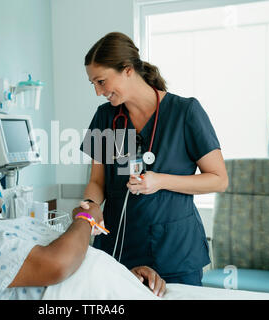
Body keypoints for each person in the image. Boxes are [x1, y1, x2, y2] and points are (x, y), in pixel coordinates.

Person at [74, 32, 228, 287]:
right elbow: (97, 181)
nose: (98, 92)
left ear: (127, 70)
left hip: (175, 253)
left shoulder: (185, 112)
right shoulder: (105, 118)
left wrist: (160, 181)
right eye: (93, 84)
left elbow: (219, 180)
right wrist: (90, 205)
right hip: (119, 250)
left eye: (101, 81)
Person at [0, 163, 166, 299]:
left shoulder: (2, 226)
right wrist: (85, 218)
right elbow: (56, 265)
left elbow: (69, 264)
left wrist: (122, 276)